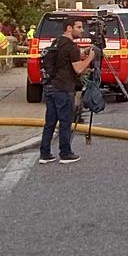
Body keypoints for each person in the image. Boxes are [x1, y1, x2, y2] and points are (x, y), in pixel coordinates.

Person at [40, 17, 95, 165]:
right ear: (69, 28)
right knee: (65, 122)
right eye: (79, 27)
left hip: (50, 86)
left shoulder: (57, 42)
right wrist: (90, 58)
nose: (82, 30)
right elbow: (78, 69)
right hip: (63, 89)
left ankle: (45, 154)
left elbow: (63, 61)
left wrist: (81, 56)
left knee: (50, 123)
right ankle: (65, 153)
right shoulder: (71, 47)